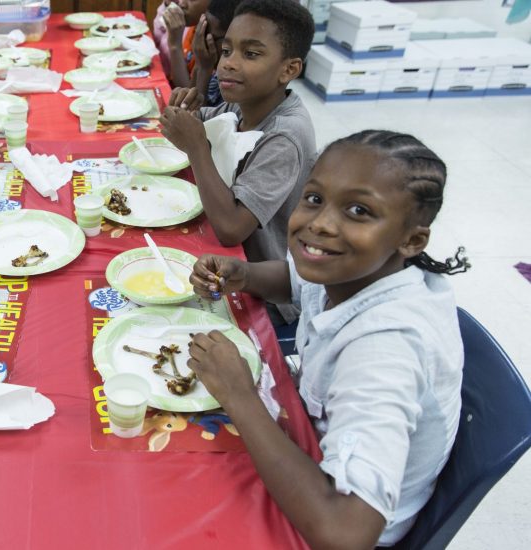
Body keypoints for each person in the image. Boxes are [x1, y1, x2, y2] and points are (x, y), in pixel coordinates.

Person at [187, 130, 470, 548]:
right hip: (304, 439)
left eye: (358, 210)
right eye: (314, 198)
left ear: (412, 240)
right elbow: (299, 283)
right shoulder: (352, 269)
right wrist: (243, 275)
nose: (319, 224)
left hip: (324, 516)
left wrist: (239, 395)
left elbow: (345, 534)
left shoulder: (384, 350)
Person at [159, 0, 316, 324]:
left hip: (261, 289)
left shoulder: (284, 135)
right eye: (227, 50)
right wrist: (182, 110)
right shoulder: (244, 105)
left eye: (251, 54)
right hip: (227, 260)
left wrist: (197, 147)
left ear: (289, 69)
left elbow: (231, 229)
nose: (228, 64)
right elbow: (193, 124)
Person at [191, 0, 240, 107]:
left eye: (209, 38)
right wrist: (199, 64)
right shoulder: (215, 71)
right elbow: (187, 103)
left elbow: (197, 120)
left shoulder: (234, 79)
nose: (202, 44)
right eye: (202, 34)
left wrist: (204, 70)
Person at [156, 0, 210, 88]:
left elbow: (188, 94)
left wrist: (175, 45)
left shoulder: (214, 41)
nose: (182, 4)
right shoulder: (194, 28)